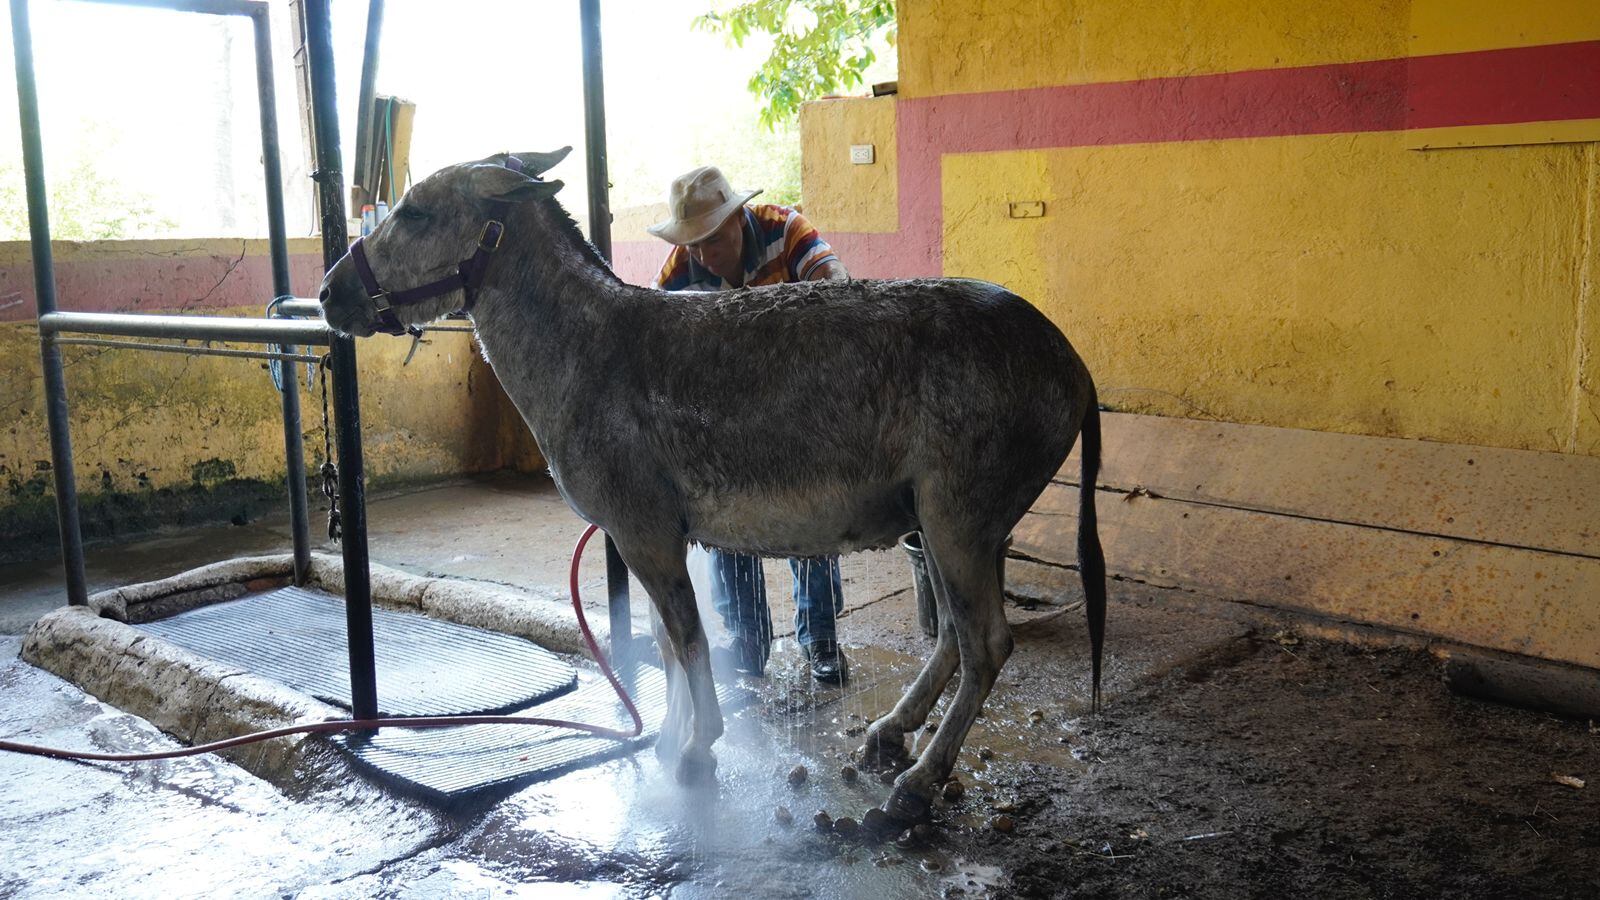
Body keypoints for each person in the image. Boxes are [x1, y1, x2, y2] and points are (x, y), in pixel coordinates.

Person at [647, 165, 851, 684]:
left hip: (798, 409)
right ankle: (748, 640)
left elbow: (841, 296)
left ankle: (821, 639)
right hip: (726, 423)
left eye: (710, 242)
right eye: (690, 243)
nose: (700, 255)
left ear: (739, 219)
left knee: (810, 519)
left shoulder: (787, 231)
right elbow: (647, 337)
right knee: (727, 526)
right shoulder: (682, 266)